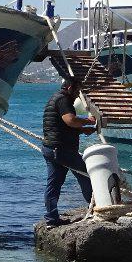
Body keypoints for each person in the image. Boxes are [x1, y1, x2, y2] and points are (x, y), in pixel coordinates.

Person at [41, 75, 97, 226]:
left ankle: (51, 219)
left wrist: (82, 130)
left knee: (54, 184)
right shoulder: (63, 100)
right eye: (77, 90)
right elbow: (70, 121)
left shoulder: (55, 98)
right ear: (70, 88)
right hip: (62, 150)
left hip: (51, 148)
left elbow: (59, 127)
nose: (78, 93)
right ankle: (95, 209)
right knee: (86, 174)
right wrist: (87, 121)